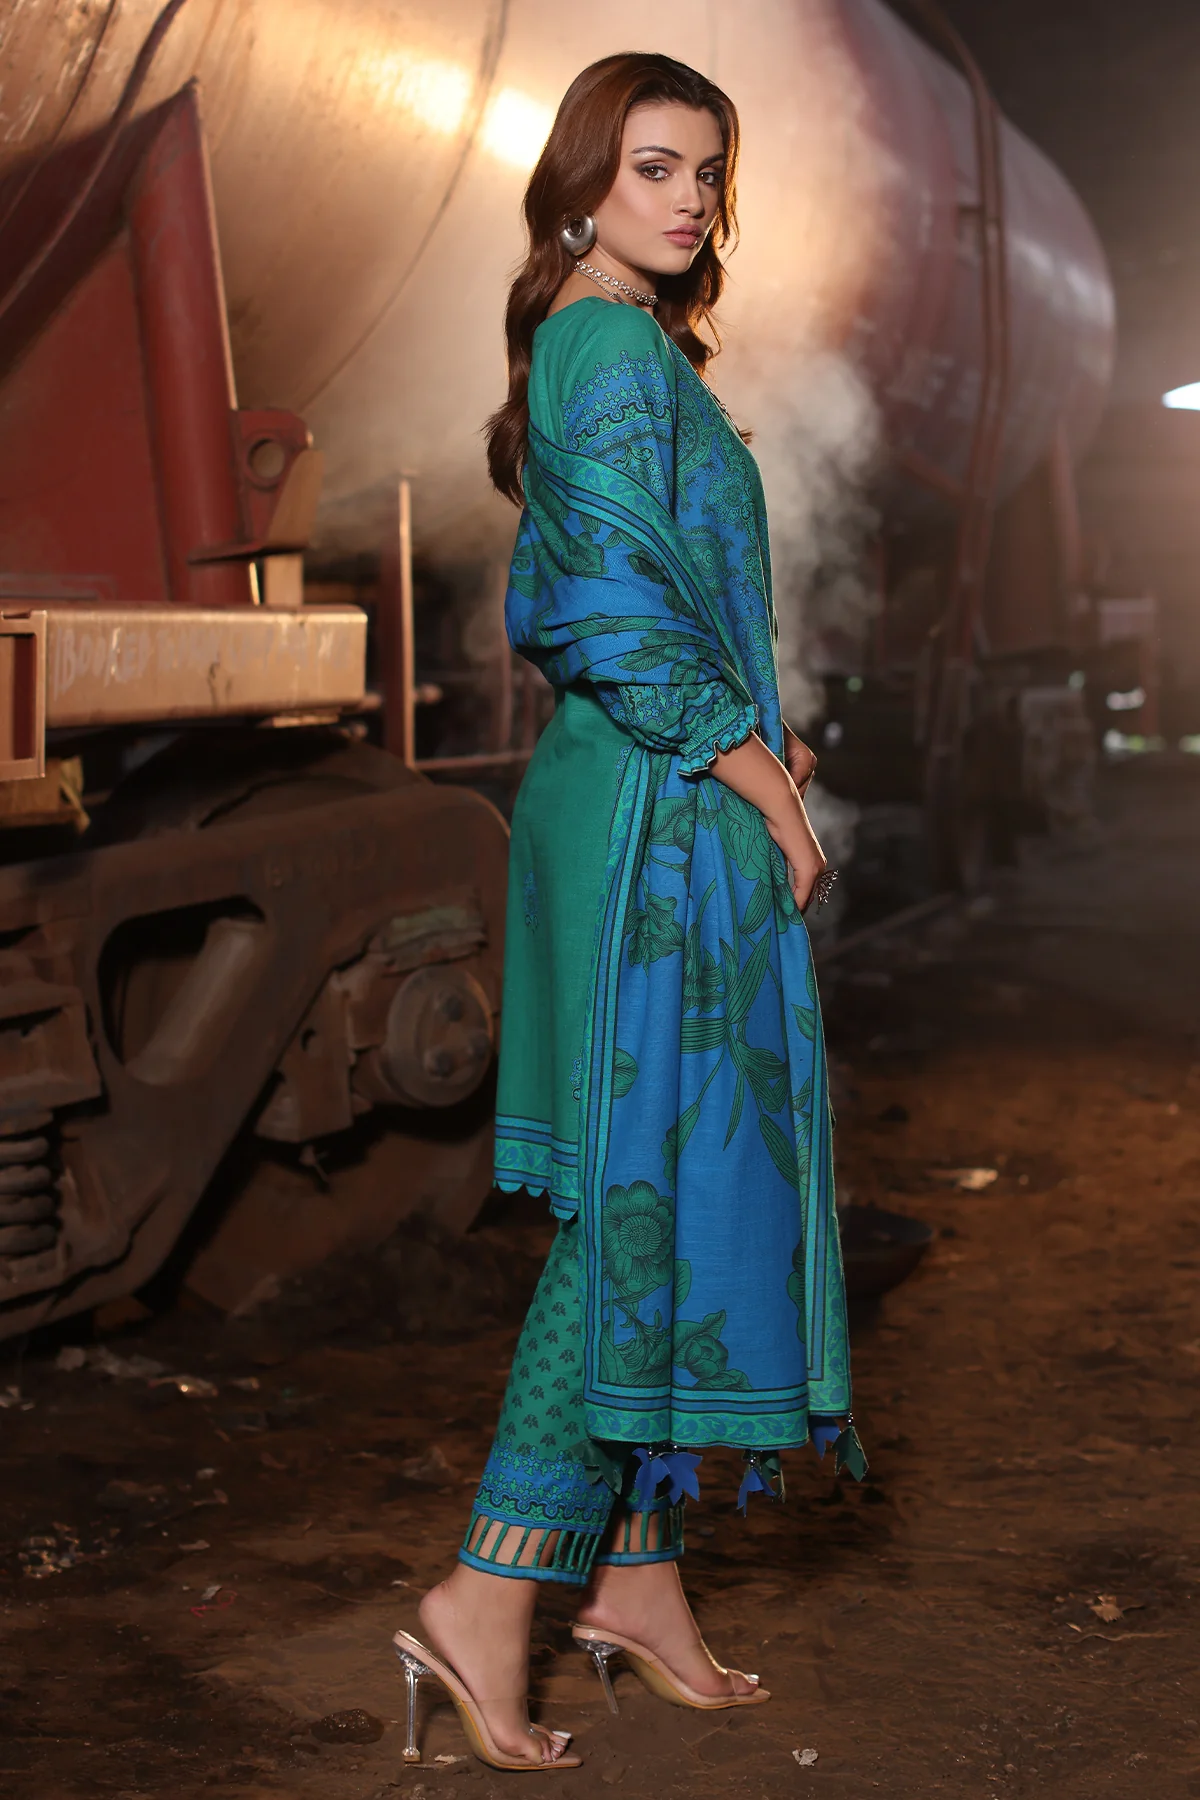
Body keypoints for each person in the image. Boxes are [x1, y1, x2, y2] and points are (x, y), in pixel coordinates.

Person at [392, 49, 861, 1773]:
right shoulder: (602, 344)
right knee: (636, 1211)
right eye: (655, 167)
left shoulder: (633, 347)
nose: (689, 200)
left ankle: (638, 1582)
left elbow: (677, 606)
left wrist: (758, 737)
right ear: (585, 183)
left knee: (663, 1190)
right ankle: (486, 1594)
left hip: (668, 787)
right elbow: (601, 611)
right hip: (651, 822)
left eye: (707, 173)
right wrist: (766, 789)